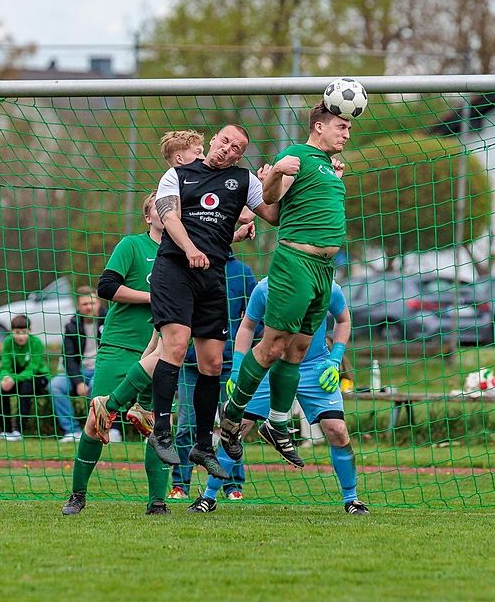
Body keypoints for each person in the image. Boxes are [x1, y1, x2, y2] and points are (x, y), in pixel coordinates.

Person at [136, 125, 284, 499]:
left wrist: (274, 181)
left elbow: (274, 214)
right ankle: (163, 430)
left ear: (239, 155)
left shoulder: (244, 180)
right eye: (224, 141)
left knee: (213, 364)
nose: (227, 149)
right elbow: (170, 217)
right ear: (213, 141)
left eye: (236, 148)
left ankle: (204, 445)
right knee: (175, 343)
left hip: (211, 275)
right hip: (175, 269)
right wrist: (188, 248)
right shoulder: (178, 174)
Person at [219, 102, 351, 469]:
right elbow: (272, 197)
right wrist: (275, 171)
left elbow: (278, 214)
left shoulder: (328, 167)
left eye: (349, 128)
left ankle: (277, 424)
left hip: (324, 270)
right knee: (273, 346)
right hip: (295, 264)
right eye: (341, 126)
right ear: (319, 126)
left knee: (298, 349)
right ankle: (231, 417)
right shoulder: (296, 154)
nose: (346, 133)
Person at [188, 276, 369, 515]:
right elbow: (248, 325)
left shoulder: (328, 286)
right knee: (236, 428)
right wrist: (238, 367)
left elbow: (343, 320)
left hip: (315, 366)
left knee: (337, 429)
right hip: (269, 364)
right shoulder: (265, 288)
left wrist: (335, 359)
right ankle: (208, 497)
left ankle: (352, 499)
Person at [60, 190, 166, 516]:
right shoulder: (132, 245)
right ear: (149, 216)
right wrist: (152, 297)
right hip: (119, 350)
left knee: (158, 426)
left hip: (162, 354)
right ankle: (78, 494)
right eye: (160, 208)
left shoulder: (184, 253)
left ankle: (157, 502)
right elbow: (106, 288)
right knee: (97, 420)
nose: (167, 212)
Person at [168, 249, 258, 500]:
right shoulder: (190, 266)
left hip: (229, 364)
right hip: (191, 364)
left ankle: (232, 486)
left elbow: (258, 314)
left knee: (231, 427)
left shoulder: (242, 272)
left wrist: (243, 345)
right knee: (187, 425)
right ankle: (180, 484)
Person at [49, 286, 105, 442]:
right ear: (78, 306)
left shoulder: (111, 322)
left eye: (91, 303)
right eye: (84, 304)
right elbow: (69, 358)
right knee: (55, 385)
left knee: (97, 386)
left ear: (98, 303)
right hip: (80, 372)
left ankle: (100, 430)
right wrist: (78, 382)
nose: (88, 307)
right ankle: (72, 431)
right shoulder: (72, 326)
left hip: (101, 371)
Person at [0, 314, 50, 441]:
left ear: (30, 331)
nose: (21, 336)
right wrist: (5, 377)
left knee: (26, 386)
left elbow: (32, 369)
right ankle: (5, 430)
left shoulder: (36, 343)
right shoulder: (8, 342)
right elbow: (5, 365)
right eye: (17, 332)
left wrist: (14, 379)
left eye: (24, 332)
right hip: (17, 377)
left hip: (38, 377)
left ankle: (18, 430)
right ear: (12, 332)